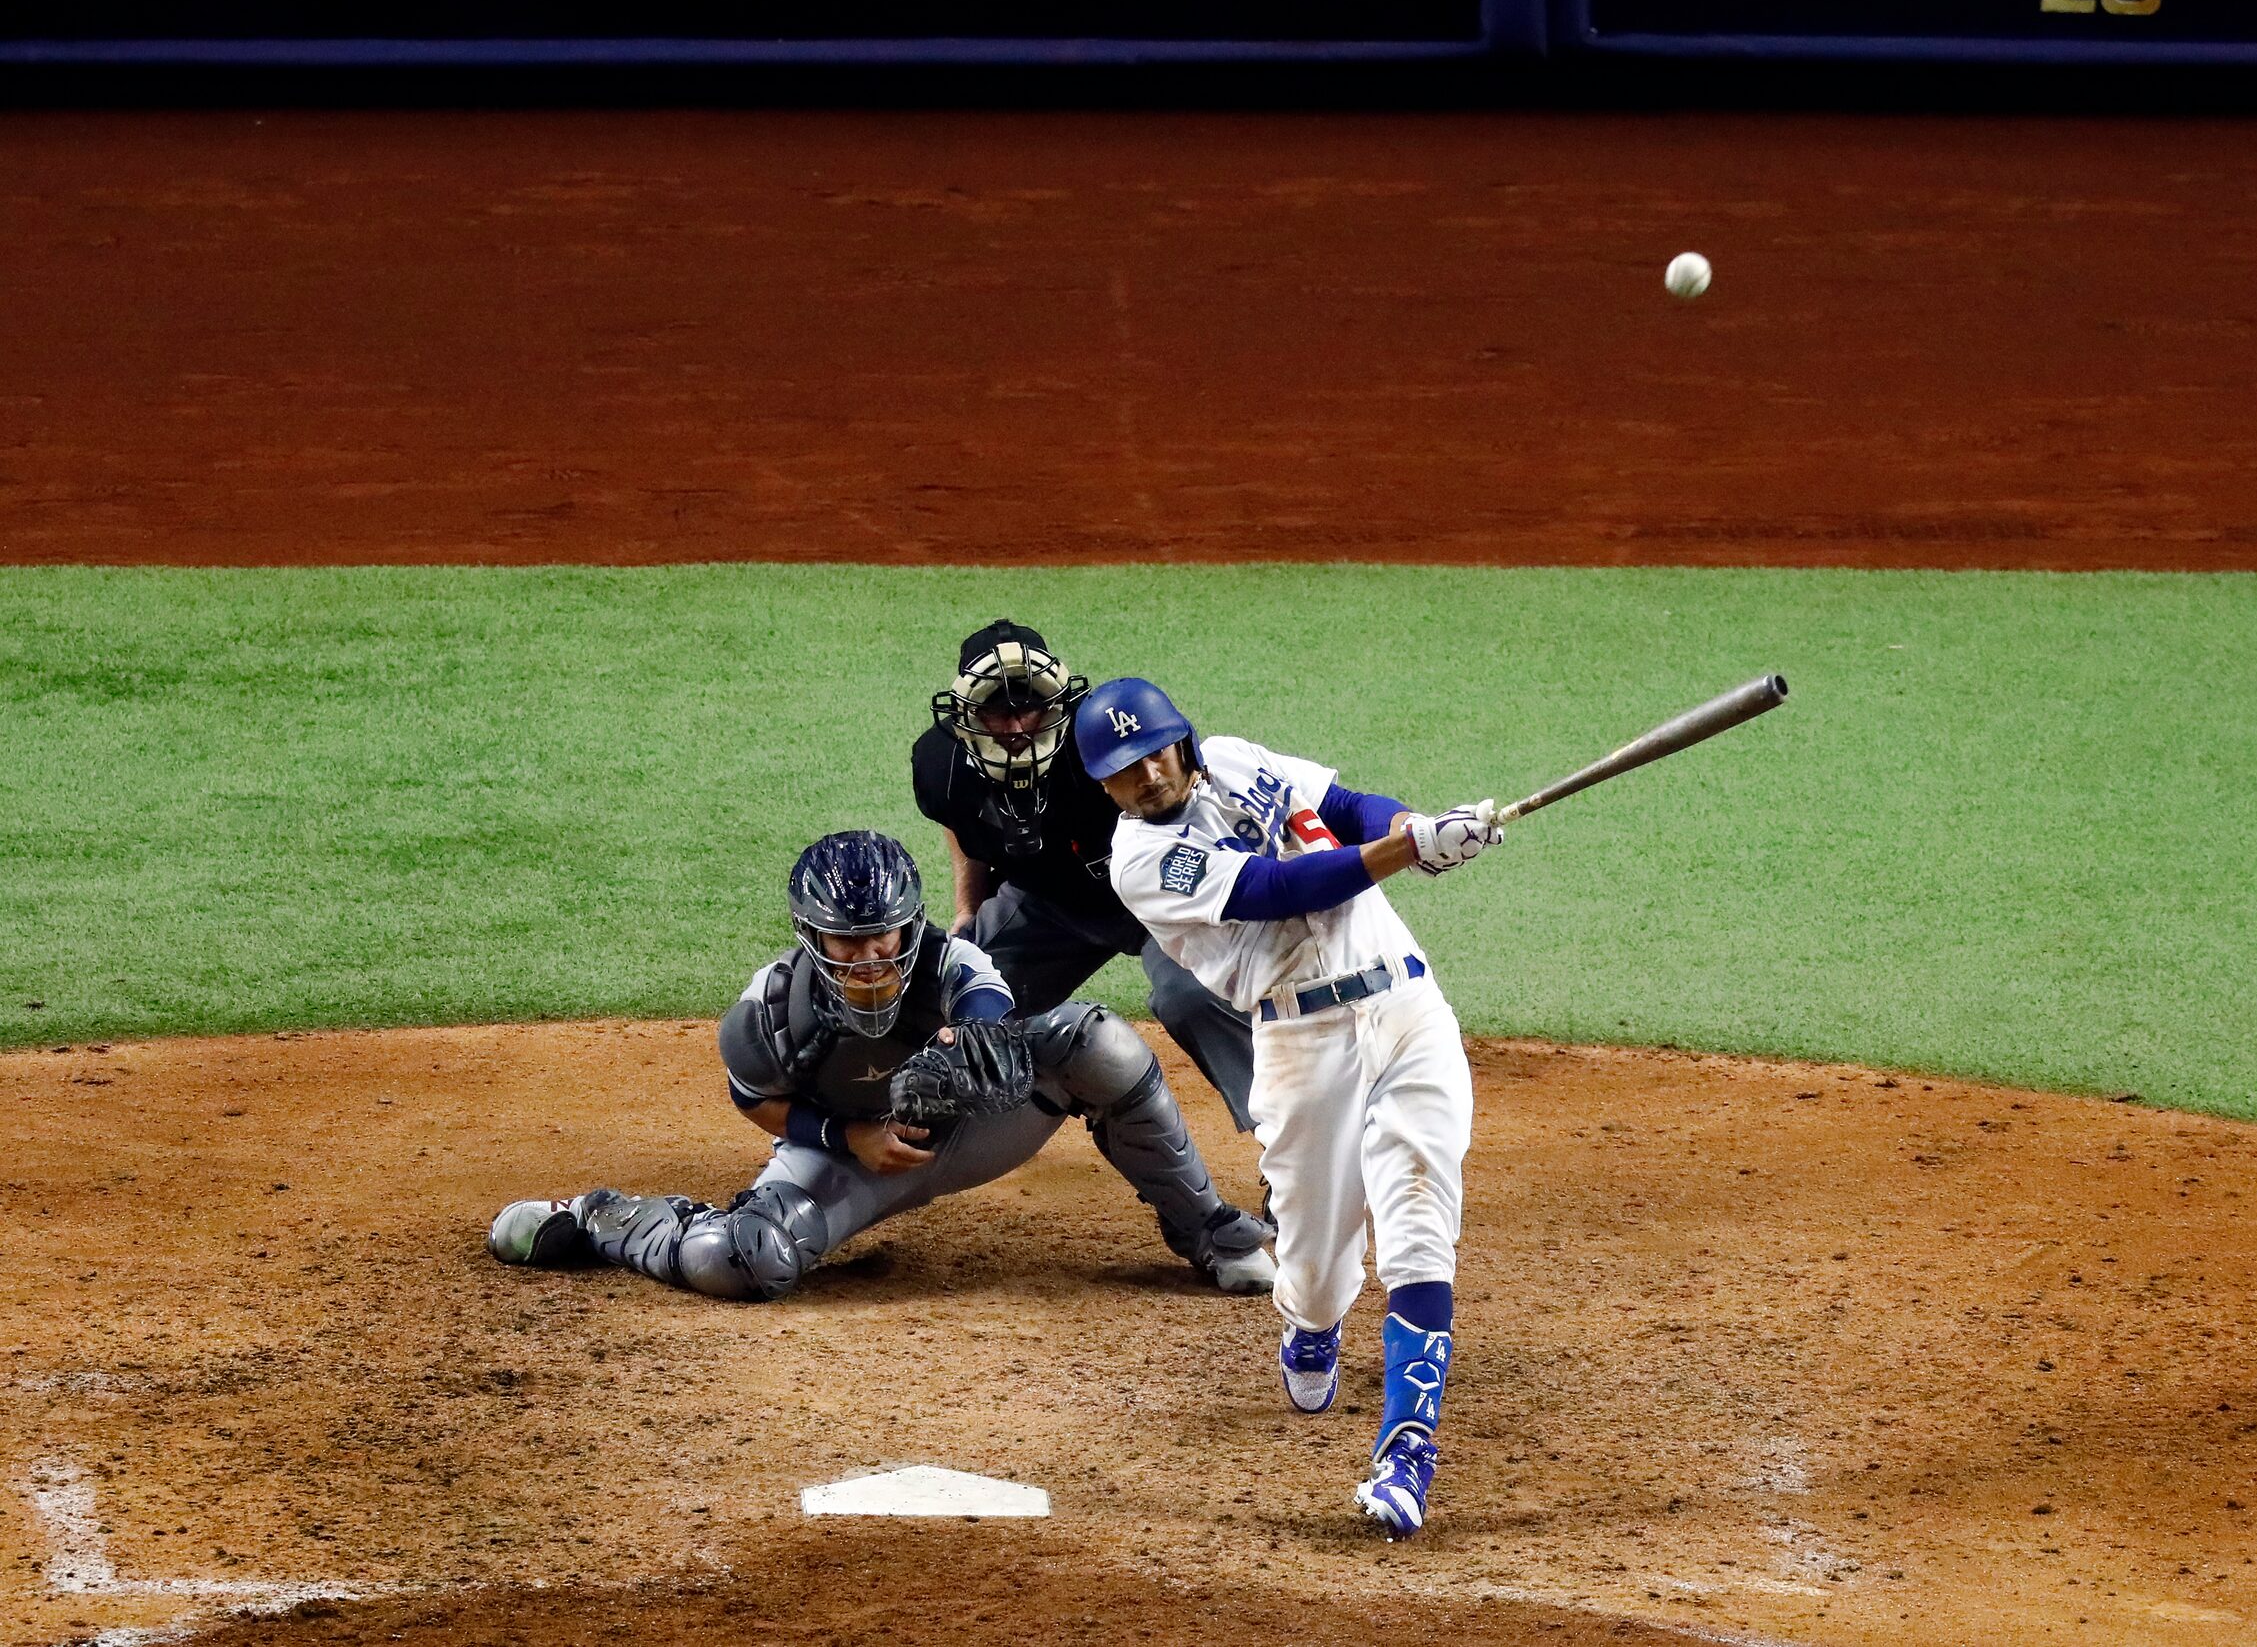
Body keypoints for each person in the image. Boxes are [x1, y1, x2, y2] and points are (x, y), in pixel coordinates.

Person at [485, 830, 1274, 1299]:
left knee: (1095, 1040)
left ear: (910, 928)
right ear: (812, 937)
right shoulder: (767, 1011)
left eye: (884, 938)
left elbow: (991, 1019)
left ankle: (1210, 1232)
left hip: (972, 1133)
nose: (868, 959)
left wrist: (967, 1056)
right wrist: (846, 1135)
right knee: (733, 1263)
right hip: (849, 1159)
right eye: (847, 943)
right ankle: (603, 1218)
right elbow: (755, 1100)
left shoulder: (956, 965)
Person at [1079, 678, 1502, 1539]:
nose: (1150, 773)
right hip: (1303, 1046)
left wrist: (1410, 824)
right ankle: (1310, 1326)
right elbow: (1279, 888)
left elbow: (1343, 804)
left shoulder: (1234, 760)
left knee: (1420, 1220)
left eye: (1159, 750)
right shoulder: (1139, 862)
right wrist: (1411, 849)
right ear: (1105, 785)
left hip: (1410, 1010)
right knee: (1312, 1266)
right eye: (1126, 769)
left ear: (1184, 741)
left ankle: (1406, 1451)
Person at [913, 620, 1256, 1132]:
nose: (1016, 728)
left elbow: (1189, 797)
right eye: (998, 712)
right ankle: (930, 1124)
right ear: (967, 714)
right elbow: (958, 824)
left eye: (1029, 706)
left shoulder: (1104, 734)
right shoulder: (941, 763)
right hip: (1051, 905)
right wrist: (969, 907)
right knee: (955, 987)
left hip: (1161, 897)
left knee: (1195, 997)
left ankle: (1287, 1149)